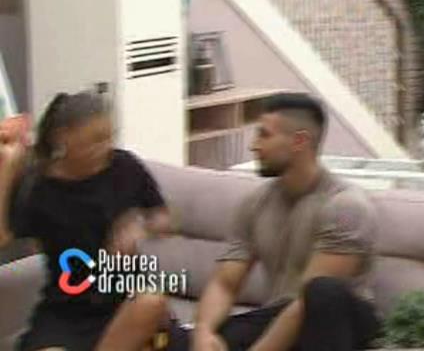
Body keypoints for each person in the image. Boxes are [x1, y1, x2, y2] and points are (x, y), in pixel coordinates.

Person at [190, 92, 379, 351]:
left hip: (340, 325)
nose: (254, 146)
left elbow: (305, 302)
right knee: (189, 340)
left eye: (264, 135)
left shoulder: (346, 206)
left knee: (321, 291)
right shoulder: (255, 203)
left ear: (299, 141)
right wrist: (203, 332)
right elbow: (225, 283)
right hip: (280, 315)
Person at [0, 90, 175, 351]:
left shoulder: (124, 167)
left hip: (124, 301)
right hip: (66, 309)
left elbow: (164, 219)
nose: (105, 148)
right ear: (64, 137)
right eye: (95, 140)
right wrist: (8, 170)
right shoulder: (39, 187)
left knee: (151, 300)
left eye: (109, 137)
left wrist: (141, 225)